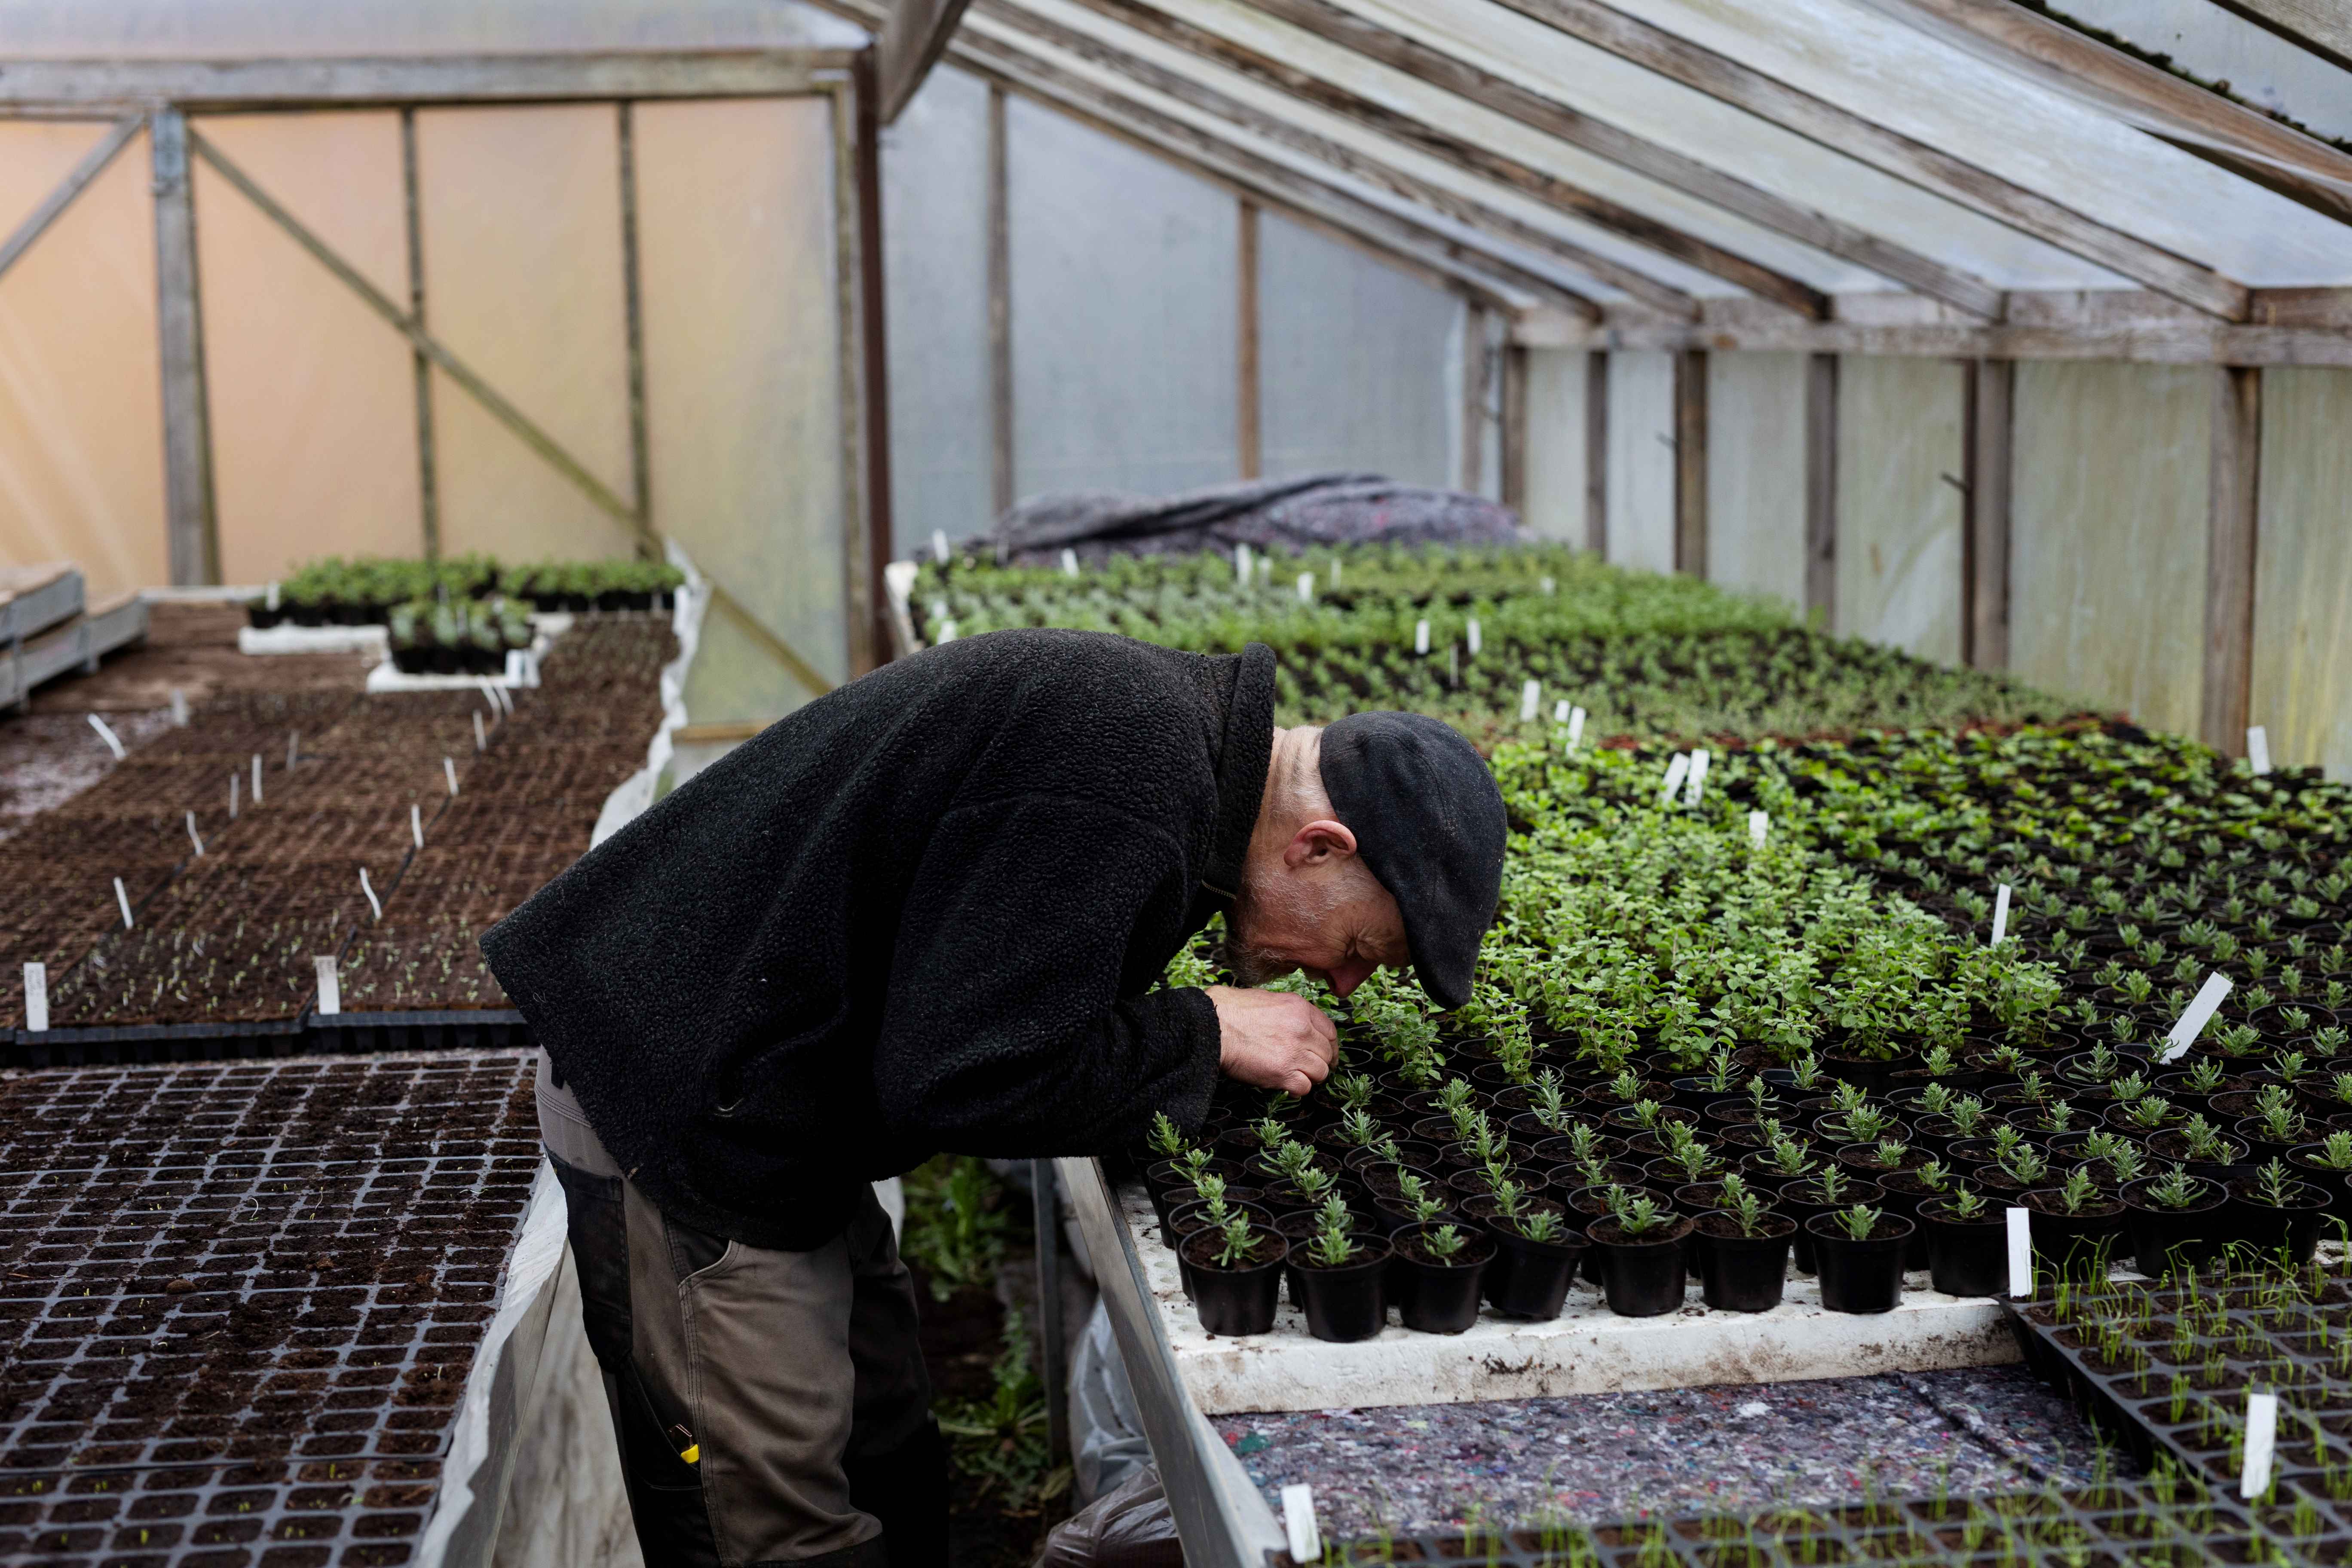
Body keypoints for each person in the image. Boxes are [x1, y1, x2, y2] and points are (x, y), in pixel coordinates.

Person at [483, 627, 1507, 1568]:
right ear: (1320, 846)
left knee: (885, 1435)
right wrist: (1204, 1029)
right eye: (1364, 949)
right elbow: (964, 1079)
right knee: (776, 1522)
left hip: (785, 1088)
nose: (1341, 984)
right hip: (689, 1108)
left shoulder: (1169, 750)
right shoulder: (1127, 787)